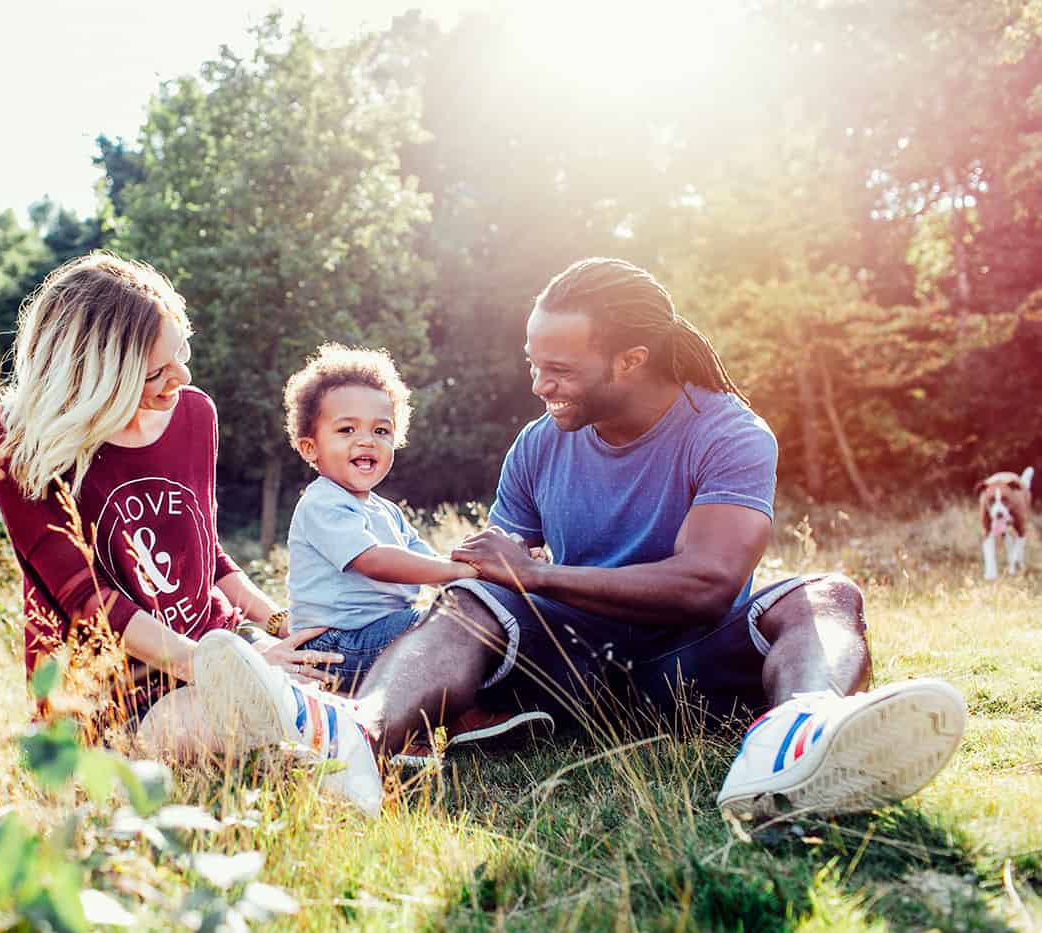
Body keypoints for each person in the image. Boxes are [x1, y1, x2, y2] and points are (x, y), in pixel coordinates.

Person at [193, 257, 967, 820]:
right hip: (575, 673)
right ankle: (355, 736)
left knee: (827, 594)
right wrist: (499, 577)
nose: (538, 382)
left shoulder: (729, 432)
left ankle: (802, 737)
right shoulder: (539, 443)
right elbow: (491, 577)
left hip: (690, 659)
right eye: (533, 362)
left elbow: (708, 583)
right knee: (468, 600)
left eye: (558, 367)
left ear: (631, 359)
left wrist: (540, 578)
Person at [0, 251, 345, 760]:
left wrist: (277, 626)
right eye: (156, 371)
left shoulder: (196, 414)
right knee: (234, 718)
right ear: (95, 377)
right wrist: (231, 672)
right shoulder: (23, 441)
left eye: (183, 352)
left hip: (213, 649)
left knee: (329, 676)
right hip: (111, 695)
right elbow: (88, 602)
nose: (180, 376)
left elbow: (207, 553)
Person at [280, 343, 480, 692]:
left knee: (466, 612)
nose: (366, 441)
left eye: (380, 431)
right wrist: (458, 572)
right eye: (346, 430)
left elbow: (429, 562)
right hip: (334, 644)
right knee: (448, 626)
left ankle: (459, 707)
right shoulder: (322, 503)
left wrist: (478, 568)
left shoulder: (386, 511)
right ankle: (459, 712)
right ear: (310, 448)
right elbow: (374, 561)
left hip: (376, 632)